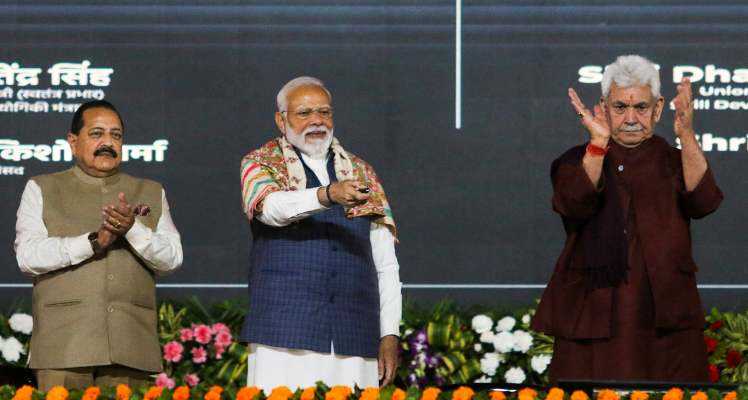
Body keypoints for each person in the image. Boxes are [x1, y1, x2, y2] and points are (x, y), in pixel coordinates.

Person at [532, 55, 723, 382]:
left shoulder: (675, 160)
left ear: (658, 108)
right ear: (604, 107)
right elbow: (574, 204)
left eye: (641, 108)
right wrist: (597, 145)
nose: (631, 118)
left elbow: (704, 202)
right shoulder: (575, 161)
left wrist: (687, 133)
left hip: (664, 319)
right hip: (595, 314)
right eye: (620, 107)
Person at [239, 76, 402, 389]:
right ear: (280, 119)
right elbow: (272, 209)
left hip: (355, 335)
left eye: (324, 112)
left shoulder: (361, 171)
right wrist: (328, 194)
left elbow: (385, 263)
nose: (316, 120)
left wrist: (389, 333)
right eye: (304, 113)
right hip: (283, 335)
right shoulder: (259, 163)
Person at [14, 100, 183, 390]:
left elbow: (172, 258)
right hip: (64, 346)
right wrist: (93, 242)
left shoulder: (151, 191)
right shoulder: (41, 187)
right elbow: (28, 256)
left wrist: (132, 230)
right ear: (73, 141)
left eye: (115, 135)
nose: (108, 143)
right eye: (97, 134)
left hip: (130, 346)